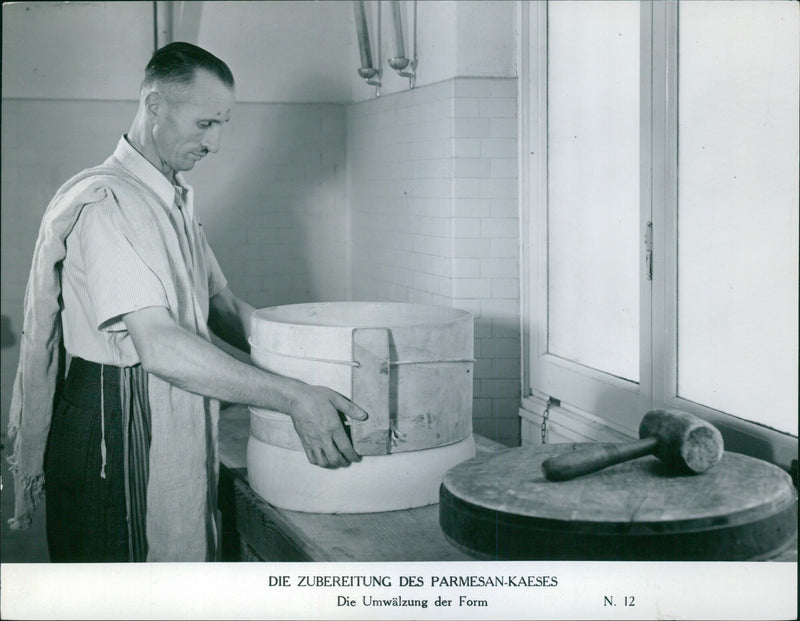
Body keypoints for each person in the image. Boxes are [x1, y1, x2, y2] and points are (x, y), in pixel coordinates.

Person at [6, 42, 366, 562]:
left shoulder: (169, 198)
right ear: (154, 107)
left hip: (161, 408)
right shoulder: (111, 202)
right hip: (114, 423)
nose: (215, 143)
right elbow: (161, 347)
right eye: (205, 124)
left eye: (222, 124)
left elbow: (223, 307)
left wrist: (316, 370)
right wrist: (292, 397)